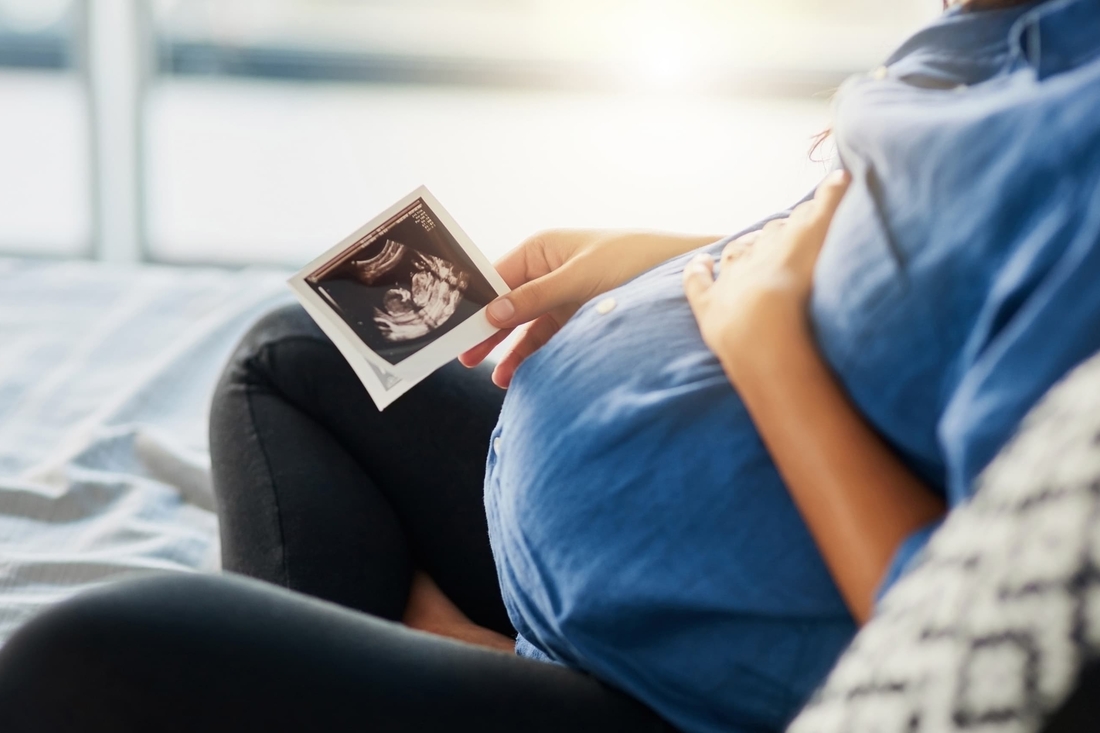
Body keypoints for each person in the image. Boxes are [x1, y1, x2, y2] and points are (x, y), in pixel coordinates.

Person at [1, 0, 1098, 731]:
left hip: (696, 688)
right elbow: (923, 274)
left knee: (84, 662)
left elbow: (976, 649)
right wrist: (679, 257)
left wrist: (765, 346)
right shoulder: (1024, 31)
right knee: (299, 353)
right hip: (623, 571)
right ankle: (450, 654)